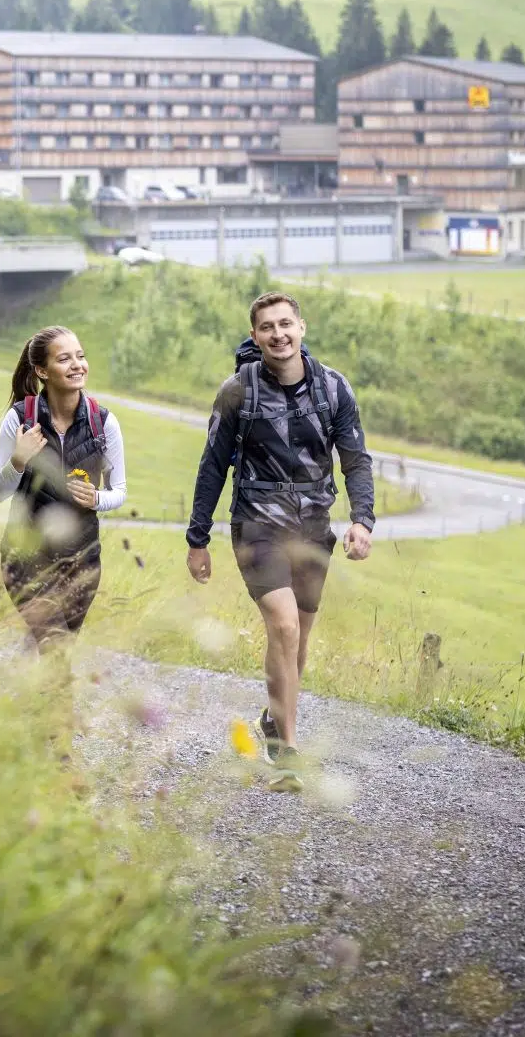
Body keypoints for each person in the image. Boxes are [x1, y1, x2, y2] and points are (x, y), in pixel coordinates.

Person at [184, 292, 374, 792]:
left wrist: (363, 520)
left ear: (302, 328)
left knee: (299, 641)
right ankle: (288, 754)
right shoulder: (237, 392)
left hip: (313, 529)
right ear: (255, 336)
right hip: (257, 527)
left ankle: (273, 718)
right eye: (267, 327)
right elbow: (211, 467)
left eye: (285, 324)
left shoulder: (334, 389)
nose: (278, 334)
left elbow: (355, 460)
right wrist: (197, 538)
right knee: (284, 628)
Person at [0, 327, 127, 756]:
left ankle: (26, 715)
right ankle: (61, 751)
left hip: (82, 558)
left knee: (53, 647)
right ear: (41, 370)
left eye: (80, 356)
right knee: (54, 647)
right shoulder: (20, 418)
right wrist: (18, 459)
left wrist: (98, 498)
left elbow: (120, 489)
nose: (76, 365)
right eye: (64, 359)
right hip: (26, 555)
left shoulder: (104, 420)